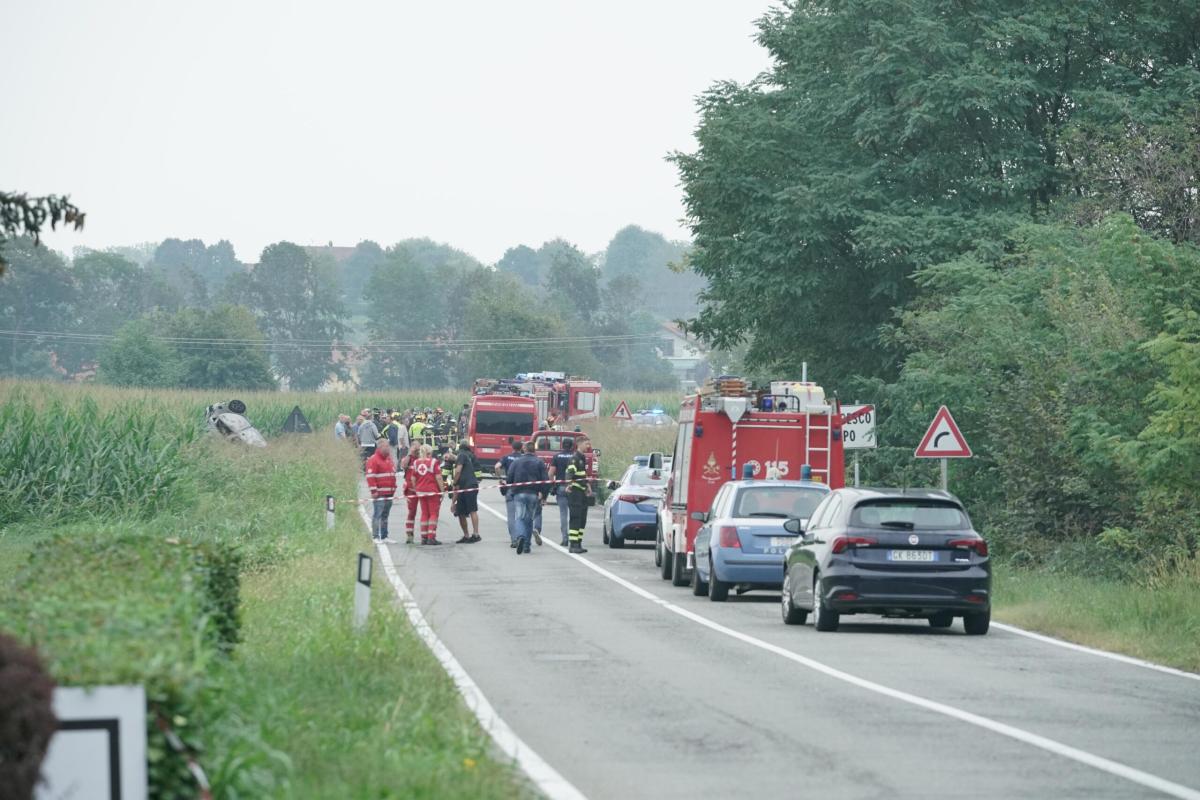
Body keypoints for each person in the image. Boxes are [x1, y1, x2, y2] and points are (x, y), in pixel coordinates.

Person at [506, 440, 549, 554]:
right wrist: (544, 495)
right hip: (533, 494)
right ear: (534, 450)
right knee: (529, 519)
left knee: (519, 517)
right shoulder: (539, 462)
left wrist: (511, 487)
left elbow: (509, 478)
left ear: (524, 449)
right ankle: (526, 546)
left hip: (519, 494)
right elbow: (545, 480)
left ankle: (520, 536)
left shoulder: (516, 462)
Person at [409, 444, 445, 545]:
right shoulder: (434, 462)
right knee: (433, 514)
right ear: (430, 452)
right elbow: (438, 477)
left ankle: (424, 537)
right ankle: (431, 537)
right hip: (432, 491)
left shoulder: (416, 462)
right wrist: (442, 491)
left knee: (424, 513)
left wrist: (416, 489)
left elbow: (413, 478)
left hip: (421, 491)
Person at [365, 435, 397, 542]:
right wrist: (374, 490)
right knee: (378, 514)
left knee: (385, 515)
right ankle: (375, 536)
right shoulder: (373, 460)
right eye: (386, 447)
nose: (388, 448)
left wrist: (394, 488)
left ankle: (384, 535)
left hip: (389, 492)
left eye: (388, 446)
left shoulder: (389, 459)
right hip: (380, 493)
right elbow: (370, 476)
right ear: (379, 447)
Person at [452, 441, 483, 544]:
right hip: (463, 487)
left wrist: (454, 481)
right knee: (460, 512)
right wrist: (453, 503)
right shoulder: (466, 457)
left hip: (470, 486)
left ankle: (476, 534)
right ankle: (466, 535)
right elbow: (456, 487)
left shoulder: (461, 455)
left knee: (472, 510)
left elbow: (458, 471)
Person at [496, 437, 523, 548]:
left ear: (512, 447)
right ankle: (522, 535)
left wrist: (501, 478)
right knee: (521, 515)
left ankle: (513, 539)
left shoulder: (506, 457)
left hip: (510, 488)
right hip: (522, 488)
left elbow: (497, 466)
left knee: (511, 516)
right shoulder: (523, 458)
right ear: (521, 448)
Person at [548, 438, 575, 546]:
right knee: (574, 514)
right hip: (574, 488)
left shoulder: (557, 456)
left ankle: (565, 538)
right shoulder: (575, 457)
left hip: (561, 487)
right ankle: (574, 538)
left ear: (562, 445)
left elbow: (550, 473)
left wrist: (552, 484)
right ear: (572, 446)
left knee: (563, 514)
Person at [565, 448, 591, 553]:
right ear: (580, 444)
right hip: (575, 492)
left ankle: (579, 543)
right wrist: (569, 484)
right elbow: (570, 472)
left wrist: (588, 485)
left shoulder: (582, 458)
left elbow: (583, 475)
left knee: (582, 519)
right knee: (576, 517)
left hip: (582, 491)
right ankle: (573, 544)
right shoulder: (574, 459)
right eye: (586, 444)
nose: (588, 446)